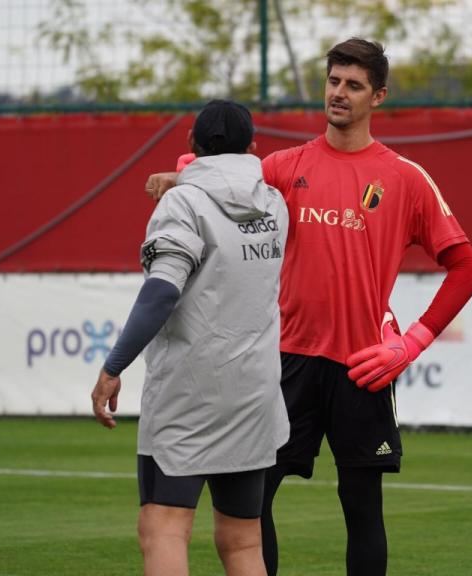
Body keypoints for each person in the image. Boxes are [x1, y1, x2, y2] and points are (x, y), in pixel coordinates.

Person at [145, 39, 472, 576]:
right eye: (333, 81)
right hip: (284, 361)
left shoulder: (405, 177)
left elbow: (468, 269)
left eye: (353, 85)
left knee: (362, 509)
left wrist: (410, 342)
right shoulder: (286, 166)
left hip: (364, 365)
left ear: (379, 96)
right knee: (253, 506)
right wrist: (180, 173)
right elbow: (225, 176)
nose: (339, 93)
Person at [92, 99, 290, 576]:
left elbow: (161, 293)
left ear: (189, 146)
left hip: (190, 394)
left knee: (163, 528)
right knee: (244, 543)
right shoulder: (274, 202)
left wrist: (113, 366)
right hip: (255, 392)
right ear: (253, 147)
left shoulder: (181, 202)